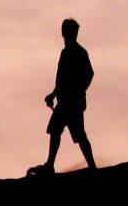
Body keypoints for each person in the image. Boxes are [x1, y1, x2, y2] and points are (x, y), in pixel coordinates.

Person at [36, 17, 98, 175]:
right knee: (59, 131)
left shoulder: (79, 53)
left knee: (74, 134)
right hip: (67, 102)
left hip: (72, 103)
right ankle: (53, 165)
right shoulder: (66, 53)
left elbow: (89, 74)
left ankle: (90, 167)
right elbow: (61, 80)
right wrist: (53, 94)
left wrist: (78, 91)